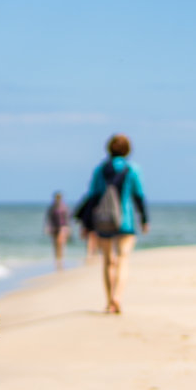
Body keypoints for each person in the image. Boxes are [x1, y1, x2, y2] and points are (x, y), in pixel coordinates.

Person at [79, 134, 148, 314]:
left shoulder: (100, 170)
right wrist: (144, 219)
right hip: (126, 221)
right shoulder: (133, 169)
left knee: (108, 261)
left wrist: (87, 224)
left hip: (104, 220)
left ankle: (109, 301)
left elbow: (92, 197)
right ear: (128, 150)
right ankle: (118, 296)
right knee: (123, 259)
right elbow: (138, 196)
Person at [45, 191, 71, 269]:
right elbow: (49, 218)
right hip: (54, 227)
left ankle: (61, 259)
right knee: (55, 244)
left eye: (59, 197)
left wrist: (68, 227)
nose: (58, 199)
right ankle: (57, 259)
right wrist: (48, 227)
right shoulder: (52, 207)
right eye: (57, 197)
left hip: (63, 227)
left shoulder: (64, 207)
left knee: (61, 243)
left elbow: (67, 218)